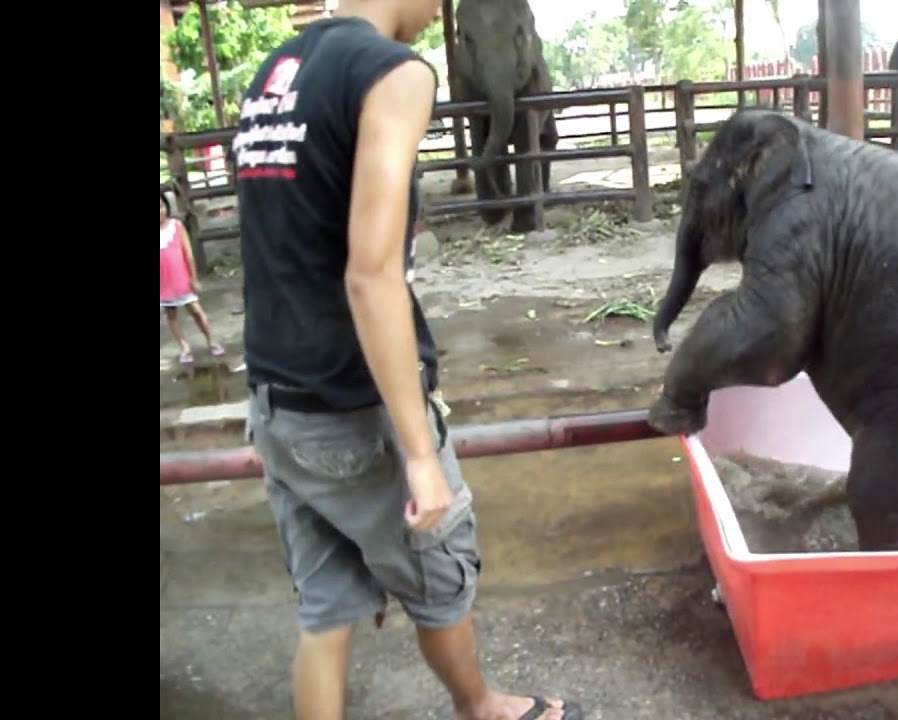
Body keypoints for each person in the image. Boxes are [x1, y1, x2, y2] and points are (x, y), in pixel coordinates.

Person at [232, 2, 582, 719]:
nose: (438, 11)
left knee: (325, 611)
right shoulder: (393, 73)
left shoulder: (276, 73)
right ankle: (481, 706)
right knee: (438, 578)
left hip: (276, 398)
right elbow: (371, 274)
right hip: (354, 407)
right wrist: (419, 454)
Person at [160, 192, 225, 365]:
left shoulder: (176, 225)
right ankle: (184, 348)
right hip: (163, 283)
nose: (160, 211)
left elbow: (188, 254)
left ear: (166, 206)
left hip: (182, 279)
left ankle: (211, 341)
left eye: (161, 206)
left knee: (196, 311)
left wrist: (193, 278)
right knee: (171, 315)